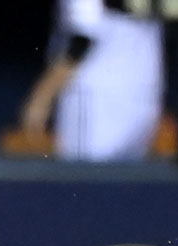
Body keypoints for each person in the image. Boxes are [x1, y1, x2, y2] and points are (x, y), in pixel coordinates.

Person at [19, 0, 164, 162]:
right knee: (125, 181)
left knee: (84, 179)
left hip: (97, 103)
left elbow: (82, 39)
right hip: (144, 96)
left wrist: (42, 98)